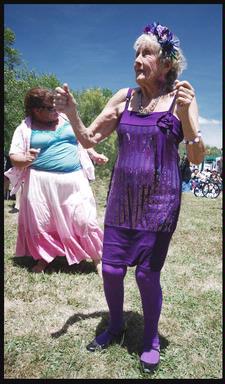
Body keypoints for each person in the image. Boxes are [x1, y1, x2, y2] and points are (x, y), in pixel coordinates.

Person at [54, 22, 205, 373]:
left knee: (146, 276)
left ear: (166, 63)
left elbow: (196, 157)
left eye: (146, 53)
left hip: (160, 202)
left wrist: (187, 119)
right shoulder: (124, 98)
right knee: (110, 269)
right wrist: (72, 112)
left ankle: (150, 339)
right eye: (135, 54)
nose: (137, 60)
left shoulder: (181, 97)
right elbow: (90, 138)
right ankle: (116, 325)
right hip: (122, 199)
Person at [5, 87, 108, 275]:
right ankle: (43, 259)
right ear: (37, 110)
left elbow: (82, 139)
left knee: (85, 219)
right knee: (43, 223)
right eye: (51, 108)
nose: (56, 111)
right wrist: (26, 158)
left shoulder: (67, 119)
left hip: (74, 180)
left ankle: (97, 259)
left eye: (56, 107)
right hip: (40, 184)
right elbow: (14, 157)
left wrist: (94, 154)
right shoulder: (24, 128)